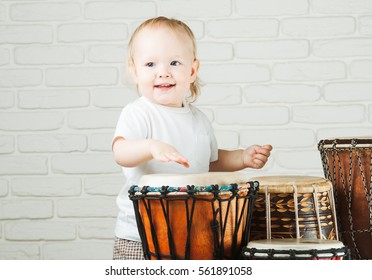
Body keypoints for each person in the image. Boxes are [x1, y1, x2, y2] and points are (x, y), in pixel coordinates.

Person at [112, 16, 272, 260]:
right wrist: (150, 146)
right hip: (140, 233)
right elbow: (120, 152)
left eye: (174, 62)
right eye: (150, 64)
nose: (163, 73)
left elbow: (208, 164)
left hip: (193, 231)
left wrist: (242, 157)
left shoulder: (199, 120)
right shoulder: (138, 112)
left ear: (193, 70)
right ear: (135, 72)